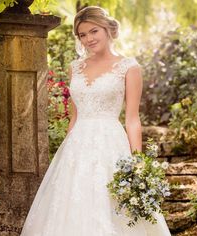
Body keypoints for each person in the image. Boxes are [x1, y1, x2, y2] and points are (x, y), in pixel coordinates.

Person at [20, 6, 171, 236]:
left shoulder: (129, 67)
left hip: (110, 145)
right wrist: (66, 154)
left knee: (110, 204)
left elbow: (132, 119)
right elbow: (74, 115)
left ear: (108, 29)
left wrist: (138, 164)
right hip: (76, 148)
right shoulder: (75, 68)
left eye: (93, 31)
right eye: (82, 35)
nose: (88, 39)